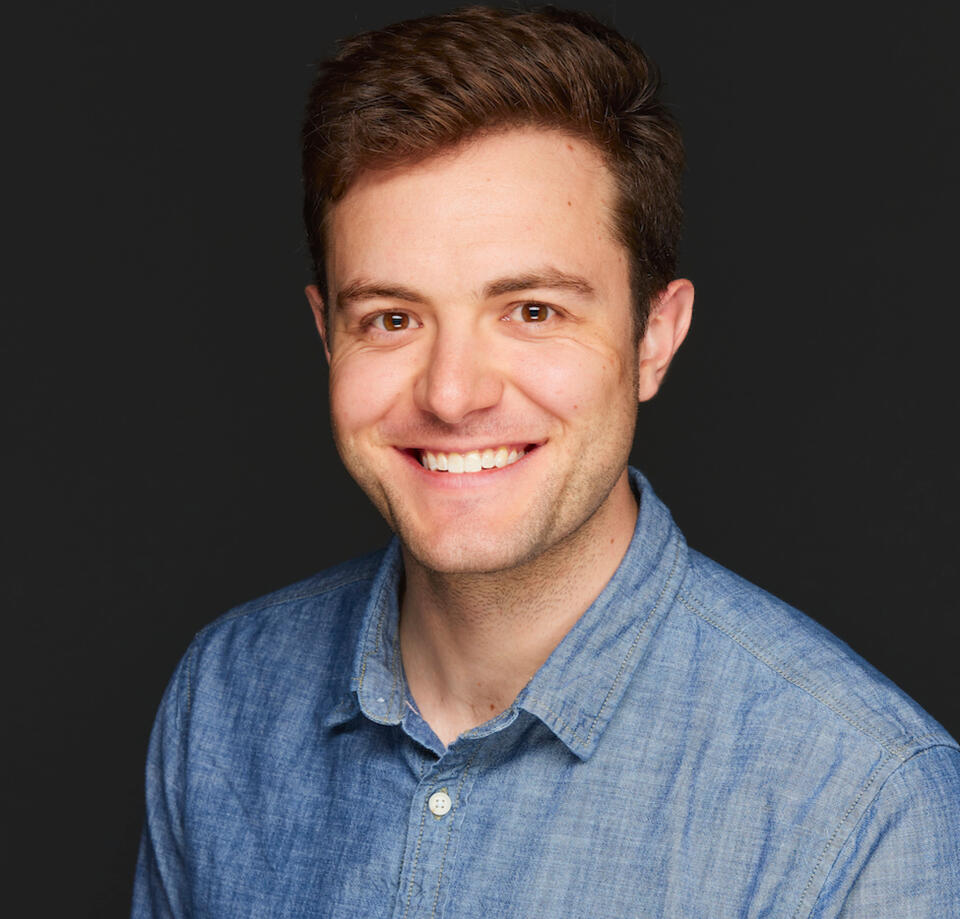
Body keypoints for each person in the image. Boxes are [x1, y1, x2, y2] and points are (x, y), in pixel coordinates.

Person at [131, 6, 960, 917]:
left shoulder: (863, 800)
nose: (452, 395)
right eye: (392, 318)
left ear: (654, 337)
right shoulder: (225, 694)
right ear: (327, 336)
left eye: (532, 310)